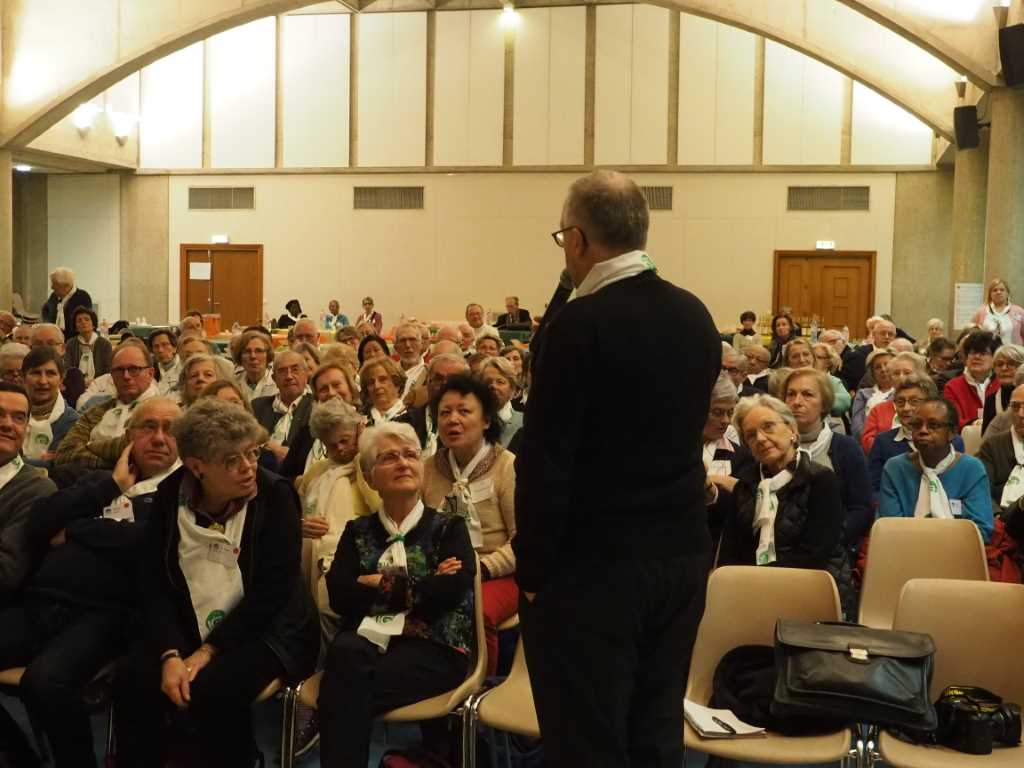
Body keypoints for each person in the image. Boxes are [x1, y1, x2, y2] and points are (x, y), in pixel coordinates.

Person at [514, 170, 718, 764]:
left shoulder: (577, 327)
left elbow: (546, 462)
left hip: (594, 568)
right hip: (679, 557)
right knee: (655, 728)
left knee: (587, 738)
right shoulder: (695, 314)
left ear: (577, 240)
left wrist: (534, 568)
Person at [113, 399, 319, 767]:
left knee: (212, 687)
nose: (248, 468)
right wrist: (171, 653)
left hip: (270, 630)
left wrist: (207, 652)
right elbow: (156, 583)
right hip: (189, 620)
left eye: (251, 454)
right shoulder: (169, 496)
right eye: (231, 460)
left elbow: (272, 592)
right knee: (133, 677)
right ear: (197, 467)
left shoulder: (276, 496)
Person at [0, 398, 181, 766]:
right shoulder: (100, 480)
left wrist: (76, 529)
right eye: (148, 427)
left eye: (170, 429)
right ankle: (20, 758)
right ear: (129, 435)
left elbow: (149, 543)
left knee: (45, 682)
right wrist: (112, 485)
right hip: (42, 602)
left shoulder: (182, 492)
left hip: (107, 614)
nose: (159, 438)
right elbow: (41, 522)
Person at [318, 423, 475, 768]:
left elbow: (449, 593)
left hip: (435, 649)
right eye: (390, 457)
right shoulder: (356, 531)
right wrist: (421, 587)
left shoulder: (450, 527)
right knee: (346, 656)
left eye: (410, 455)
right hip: (367, 646)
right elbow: (341, 596)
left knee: (342, 692)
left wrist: (378, 583)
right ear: (371, 477)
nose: (404, 463)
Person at [718, 394, 853, 612]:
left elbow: (815, 554)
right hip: (751, 593)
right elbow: (730, 552)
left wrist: (763, 581)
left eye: (768, 427)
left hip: (809, 591)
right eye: (751, 435)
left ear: (792, 430)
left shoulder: (820, 480)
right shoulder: (745, 484)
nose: (760, 439)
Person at [422, 374, 516, 677]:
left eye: (464, 411)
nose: (453, 420)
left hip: (498, 572)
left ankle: (476, 696)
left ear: (486, 420)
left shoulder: (507, 466)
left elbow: (524, 539)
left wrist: (482, 569)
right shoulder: (429, 468)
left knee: (476, 609)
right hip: (444, 571)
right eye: (445, 413)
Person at [782, 368, 872, 566]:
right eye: (791, 394)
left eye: (807, 394)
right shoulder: (771, 447)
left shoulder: (846, 448)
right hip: (779, 555)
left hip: (831, 554)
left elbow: (862, 508)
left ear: (824, 403)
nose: (797, 401)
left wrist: (830, 538)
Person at [878, 397, 993, 542]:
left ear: (952, 432)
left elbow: (981, 530)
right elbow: (889, 529)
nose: (923, 431)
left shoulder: (971, 469)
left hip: (959, 553)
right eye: (917, 425)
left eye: (933, 425)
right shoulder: (895, 468)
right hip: (906, 553)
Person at [54, 342, 159, 471]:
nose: (126, 376)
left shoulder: (163, 412)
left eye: (134, 369)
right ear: (112, 377)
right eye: (119, 370)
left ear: (150, 373)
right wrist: (114, 462)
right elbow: (64, 454)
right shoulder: (96, 411)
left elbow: (137, 455)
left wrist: (90, 446)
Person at [0, 383, 58, 606]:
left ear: (26, 428)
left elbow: (6, 573)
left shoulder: (37, 489)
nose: (7, 424)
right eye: (0, 414)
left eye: (18, 418)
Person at [279, 361, 360, 478]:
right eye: (323, 389)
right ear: (317, 398)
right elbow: (287, 476)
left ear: (351, 390)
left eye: (336, 385)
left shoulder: (365, 427)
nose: (331, 393)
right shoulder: (306, 433)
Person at [251, 350, 313, 471]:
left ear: (306, 374)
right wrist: (272, 447)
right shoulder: (257, 406)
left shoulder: (316, 407)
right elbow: (246, 440)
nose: (289, 376)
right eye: (282, 371)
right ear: (274, 378)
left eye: (295, 370)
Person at [22, 346, 80, 467]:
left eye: (50, 374)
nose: (43, 381)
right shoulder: (7, 414)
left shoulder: (73, 422)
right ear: (23, 377)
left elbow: (60, 467)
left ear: (61, 379)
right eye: (36, 373)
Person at [861, 351, 928, 453]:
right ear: (891, 378)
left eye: (907, 373)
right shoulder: (879, 409)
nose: (901, 377)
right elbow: (867, 441)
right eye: (896, 373)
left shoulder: (929, 405)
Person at [944, 330, 1001, 430]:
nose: (976, 357)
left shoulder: (1001, 384)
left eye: (983, 353)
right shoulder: (952, 386)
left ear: (995, 358)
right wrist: (975, 423)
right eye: (972, 352)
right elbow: (952, 420)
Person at [785, 337, 851, 417]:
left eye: (806, 354)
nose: (802, 360)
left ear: (812, 357)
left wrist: (814, 401)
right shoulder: (782, 381)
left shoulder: (830, 380)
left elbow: (845, 401)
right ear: (787, 361)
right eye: (795, 356)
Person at [32, 323, 86, 408]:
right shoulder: (22, 374)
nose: (45, 348)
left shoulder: (73, 376)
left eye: (51, 343)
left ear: (63, 348)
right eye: (38, 344)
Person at [479, 356, 523, 451]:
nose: (493, 386)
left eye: (500, 382)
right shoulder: (471, 421)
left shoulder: (524, 423)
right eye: (487, 382)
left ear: (513, 390)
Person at [842, 318, 898, 391]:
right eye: (883, 333)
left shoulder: (900, 355)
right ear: (874, 335)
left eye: (890, 334)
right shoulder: (858, 355)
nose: (887, 337)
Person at [851, 348, 894, 442]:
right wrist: (869, 441)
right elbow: (857, 425)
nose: (883, 369)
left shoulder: (902, 392)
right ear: (872, 373)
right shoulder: (862, 394)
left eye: (887, 364)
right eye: (878, 367)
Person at [41, 267, 92, 340]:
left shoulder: (83, 297)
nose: (51, 287)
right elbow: (45, 309)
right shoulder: (54, 296)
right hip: (56, 340)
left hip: (76, 341)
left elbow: (84, 324)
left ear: (66, 285)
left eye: (55, 283)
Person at [65, 307, 112, 385]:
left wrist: (95, 383)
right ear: (76, 327)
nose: (83, 322)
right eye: (79, 321)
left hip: (101, 385)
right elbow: (67, 368)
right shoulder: (70, 344)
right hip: (76, 385)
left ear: (93, 324)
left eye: (87, 319)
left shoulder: (105, 344)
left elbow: (108, 370)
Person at [983, 344, 1024, 434]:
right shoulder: (991, 400)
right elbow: (985, 441)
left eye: (1011, 364)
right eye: (999, 364)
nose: (1004, 368)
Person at [971, 277, 1024, 345]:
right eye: (995, 290)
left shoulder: (1019, 311)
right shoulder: (981, 312)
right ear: (990, 294)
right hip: (989, 353)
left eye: (1002, 290)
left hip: (1013, 353)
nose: (998, 292)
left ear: (1007, 293)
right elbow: (972, 334)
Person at [232, 329, 277, 403]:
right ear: (240, 356)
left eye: (259, 351)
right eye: (247, 351)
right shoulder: (233, 382)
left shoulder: (277, 383)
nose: (253, 356)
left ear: (267, 355)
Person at [394, 322, 427, 399]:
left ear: (421, 345)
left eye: (412, 340)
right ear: (396, 347)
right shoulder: (389, 371)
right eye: (403, 340)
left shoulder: (429, 373)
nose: (408, 345)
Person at [148, 329, 181, 395]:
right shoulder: (151, 370)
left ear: (174, 348)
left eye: (165, 344)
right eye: (156, 346)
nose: (160, 350)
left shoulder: (184, 368)